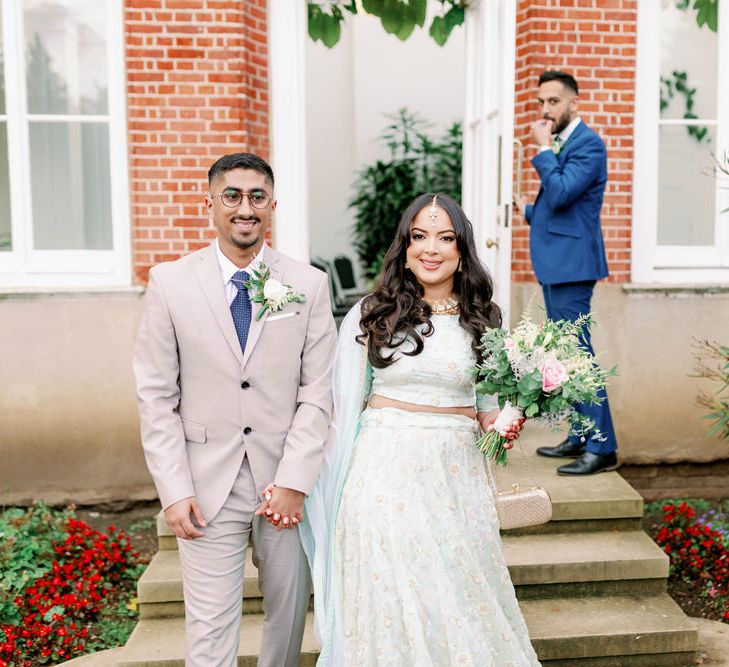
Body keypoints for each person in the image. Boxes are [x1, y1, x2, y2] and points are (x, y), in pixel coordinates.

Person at [300, 193, 541, 666]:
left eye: (445, 237)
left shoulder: (485, 318)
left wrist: (505, 422)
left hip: (455, 479)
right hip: (382, 476)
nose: (431, 248)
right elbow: (340, 405)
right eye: (420, 236)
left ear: (462, 249)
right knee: (389, 594)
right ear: (405, 248)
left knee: (455, 592)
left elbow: (488, 406)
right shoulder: (373, 313)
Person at [133, 152, 337, 667]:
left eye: (257, 197)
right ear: (210, 204)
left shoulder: (308, 283)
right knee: (208, 632)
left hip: (284, 485)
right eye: (232, 196)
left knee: (287, 621)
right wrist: (174, 489)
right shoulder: (169, 283)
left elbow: (319, 390)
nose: (245, 208)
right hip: (204, 484)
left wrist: (295, 480)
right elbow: (156, 396)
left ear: (272, 206)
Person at [513, 70, 619, 476]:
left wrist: (542, 151)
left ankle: (602, 447)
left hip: (573, 265)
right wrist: (525, 209)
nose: (545, 109)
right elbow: (560, 208)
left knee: (578, 355)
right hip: (557, 262)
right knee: (563, 353)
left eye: (553, 101)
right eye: (541, 102)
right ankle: (579, 433)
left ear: (573, 102)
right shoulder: (566, 143)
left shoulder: (589, 144)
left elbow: (561, 191)